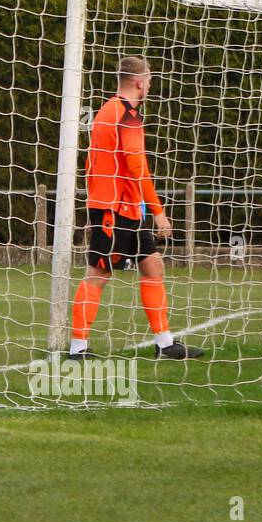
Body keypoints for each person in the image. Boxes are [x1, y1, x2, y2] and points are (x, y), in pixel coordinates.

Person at [69, 56, 202, 361]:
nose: (151, 84)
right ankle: (77, 349)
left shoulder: (106, 110)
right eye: (150, 79)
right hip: (114, 208)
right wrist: (158, 210)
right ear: (141, 82)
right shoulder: (126, 114)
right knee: (98, 274)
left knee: (153, 265)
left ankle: (165, 344)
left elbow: (92, 163)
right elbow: (137, 166)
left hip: (128, 207)